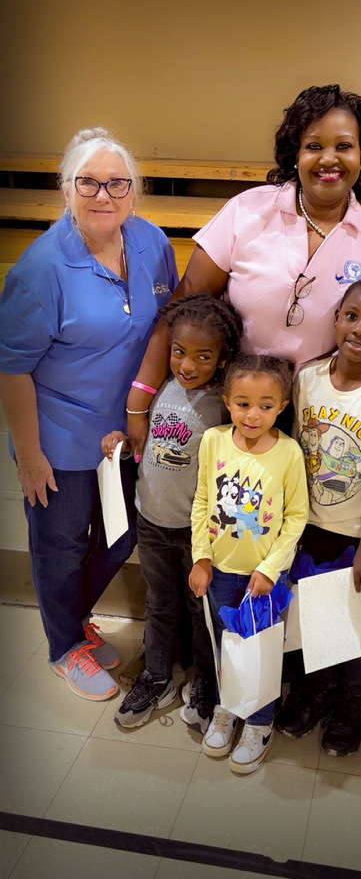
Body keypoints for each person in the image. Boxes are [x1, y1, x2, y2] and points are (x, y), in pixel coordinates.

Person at [126, 84, 361, 455]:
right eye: (313, 145)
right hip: (227, 405)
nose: (328, 158)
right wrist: (138, 400)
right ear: (294, 154)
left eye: (343, 146)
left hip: (314, 423)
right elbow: (181, 311)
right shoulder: (246, 212)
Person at [0, 127, 177, 700]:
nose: (104, 195)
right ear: (67, 189)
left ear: (134, 190)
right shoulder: (41, 268)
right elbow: (12, 368)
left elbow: (164, 325)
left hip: (127, 430)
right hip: (60, 436)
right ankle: (63, 646)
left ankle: (71, 622)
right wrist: (29, 456)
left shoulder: (151, 243)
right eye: (89, 183)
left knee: (123, 537)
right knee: (62, 543)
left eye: (117, 183)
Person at [275, 278, 361, 756]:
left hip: (359, 536)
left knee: (355, 625)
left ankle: (353, 701)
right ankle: (319, 689)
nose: (359, 330)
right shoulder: (307, 378)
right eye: (351, 317)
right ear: (335, 318)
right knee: (315, 620)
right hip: (310, 528)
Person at [100, 294, 243, 728]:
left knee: (201, 611)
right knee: (161, 605)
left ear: (221, 360)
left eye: (203, 356)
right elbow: (144, 447)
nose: (187, 365)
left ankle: (204, 681)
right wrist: (118, 443)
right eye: (179, 352)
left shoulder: (224, 404)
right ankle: (157, 676)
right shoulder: (159, 389)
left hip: (197, 533)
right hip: (152, 522)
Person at [189, 355, 309, 774]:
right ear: (226, 401)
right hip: (220, 570)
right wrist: (201, 557)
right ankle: (227, 707)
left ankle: (259, 721)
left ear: (282, 406)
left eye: (265, 404)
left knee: (261, 651)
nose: (252, 414)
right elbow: (203, 501)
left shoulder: (289, 452)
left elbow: (296, 516)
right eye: (242, 403)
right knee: (226, 647)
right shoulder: (213, 441)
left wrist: (271, 568)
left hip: (265, 578)